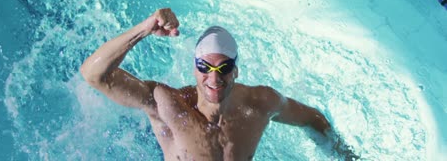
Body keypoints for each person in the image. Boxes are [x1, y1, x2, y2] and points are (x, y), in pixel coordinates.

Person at [80, 8, 358, 160]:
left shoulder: (260, 104)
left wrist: (345, 156)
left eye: (223, 68)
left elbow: (313, 118)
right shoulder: (168, 105)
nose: (214, 78)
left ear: (236, 71)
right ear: (194, 67)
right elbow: (94, 75)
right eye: (205, 67)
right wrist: (144, 28)